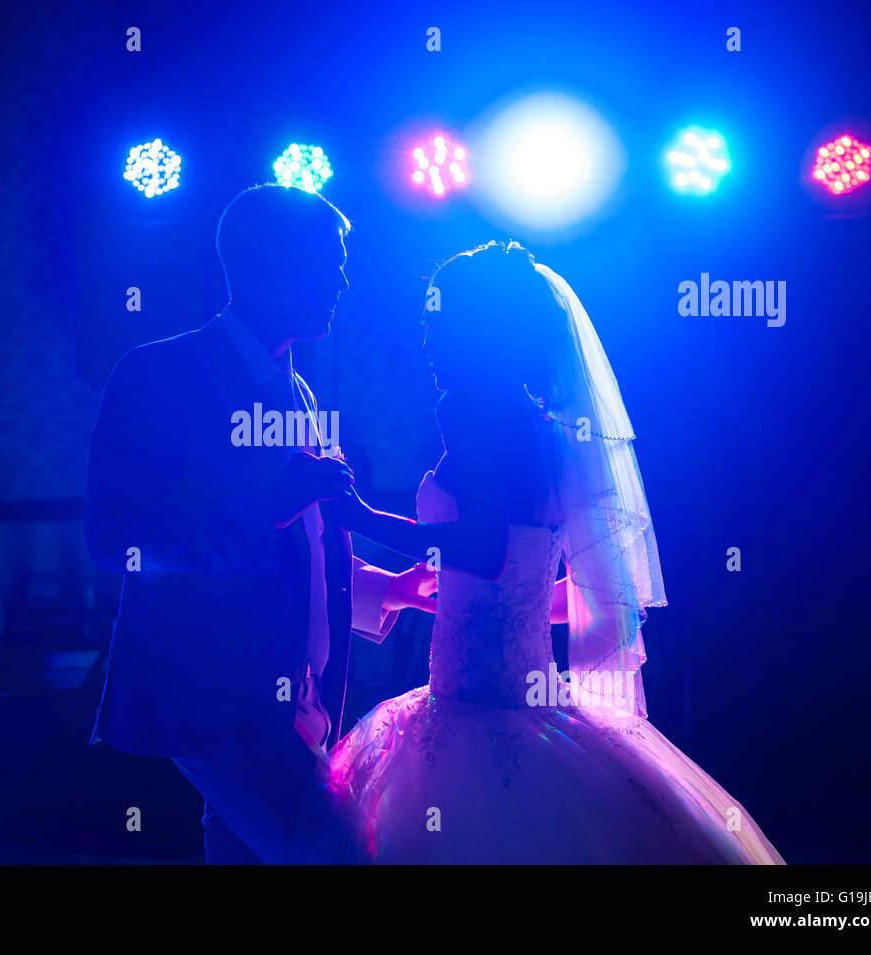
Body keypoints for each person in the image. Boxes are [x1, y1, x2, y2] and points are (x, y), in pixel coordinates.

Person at [327, 240, 785, 863]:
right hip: (532, 702)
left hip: (475, 704)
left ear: (476, 330)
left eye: (438, 323)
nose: (428, 343)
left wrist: (360, 517)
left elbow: (484, 547)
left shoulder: (469, 407)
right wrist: (471, 601)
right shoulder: (537, 421)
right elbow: (528, 567)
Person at [83, 183, 437, 863]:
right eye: (327, 261)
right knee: (338, 854)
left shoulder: (300, 392)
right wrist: (262, 509)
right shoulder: (155, 373)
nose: (342, 279)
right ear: (264, 265)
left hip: (296, 700)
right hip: (214, 700)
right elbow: (113, 536)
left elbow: (300, 546)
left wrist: (385, 588)